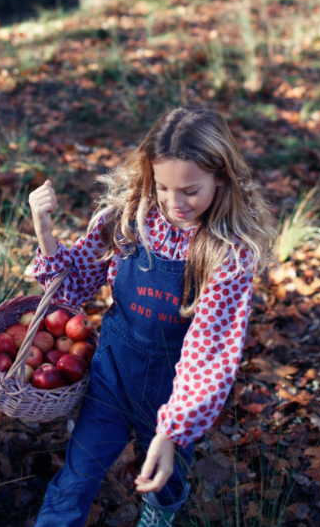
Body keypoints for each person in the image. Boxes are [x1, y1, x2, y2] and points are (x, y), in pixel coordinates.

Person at [28, 106, 276, 527]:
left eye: (190, 191)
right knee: (76, 477)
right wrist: (44, 231)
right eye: (162, 187)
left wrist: (171, 429)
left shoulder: (226, 255)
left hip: (172, 388)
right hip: (112, 377)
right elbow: (71, 289)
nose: (174, 203)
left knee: (166, 480)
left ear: (221, 177)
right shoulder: (130, 220)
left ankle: (160, 513)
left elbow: (208, 352)